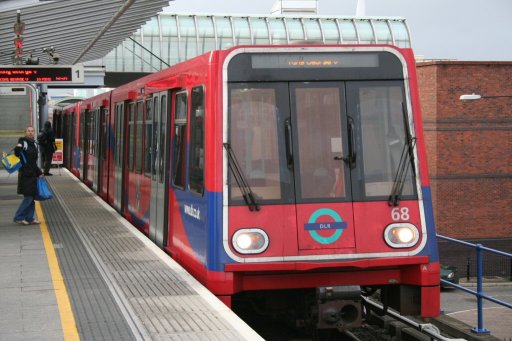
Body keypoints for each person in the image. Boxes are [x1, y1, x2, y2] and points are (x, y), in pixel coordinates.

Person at [13, 125, 43, 225]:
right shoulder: (23, 142)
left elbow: (33, 162)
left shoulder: (35, 144)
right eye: (28, 131)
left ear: (34, 133)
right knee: (28, 197)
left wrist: (39, 172)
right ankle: (19, 217)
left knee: (32, 198)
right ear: (25, 132)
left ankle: (30, 218)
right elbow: (17, 154)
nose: (30, 133)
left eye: (32, 131)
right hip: (25, 175)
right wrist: (18, 147)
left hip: (33, 174)